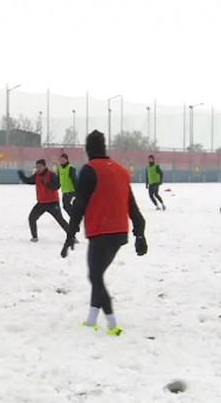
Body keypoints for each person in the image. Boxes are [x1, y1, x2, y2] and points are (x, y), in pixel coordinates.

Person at [61, 130, 147, 336]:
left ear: (87, 149)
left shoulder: (90, 170)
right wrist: (140, 234)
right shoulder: (120, 170)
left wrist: (69, 235)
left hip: (101, 231)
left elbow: (79, 205)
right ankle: (91, 321)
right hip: (119, 233)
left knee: (95, 276)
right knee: (97, 274)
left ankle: (112, 323)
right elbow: (132, 206)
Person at [18, 159, 69, 242]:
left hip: (53, 202)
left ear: (44, 167)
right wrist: (22, 176)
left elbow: (57, 186)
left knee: (60, 220)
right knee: (32, 218)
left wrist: (47, 183)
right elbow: (29, 181)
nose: (38, 169)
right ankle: (34, 237)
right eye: (37, 167)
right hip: (41, 203)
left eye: (40, 167)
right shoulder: (36, 175)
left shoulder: (51, 174)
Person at [58, 153, 78, 218]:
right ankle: (75, 215)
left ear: (66, 160)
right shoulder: (60, 168)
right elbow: (59, 178)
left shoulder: (70, 168)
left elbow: (75, 179)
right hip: (64, 190)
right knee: (65, 206)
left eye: (63, 160)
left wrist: (77, 190)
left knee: (66, 205)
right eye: (61, 160)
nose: (62, 161)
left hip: (71, 190)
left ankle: (74, 217)